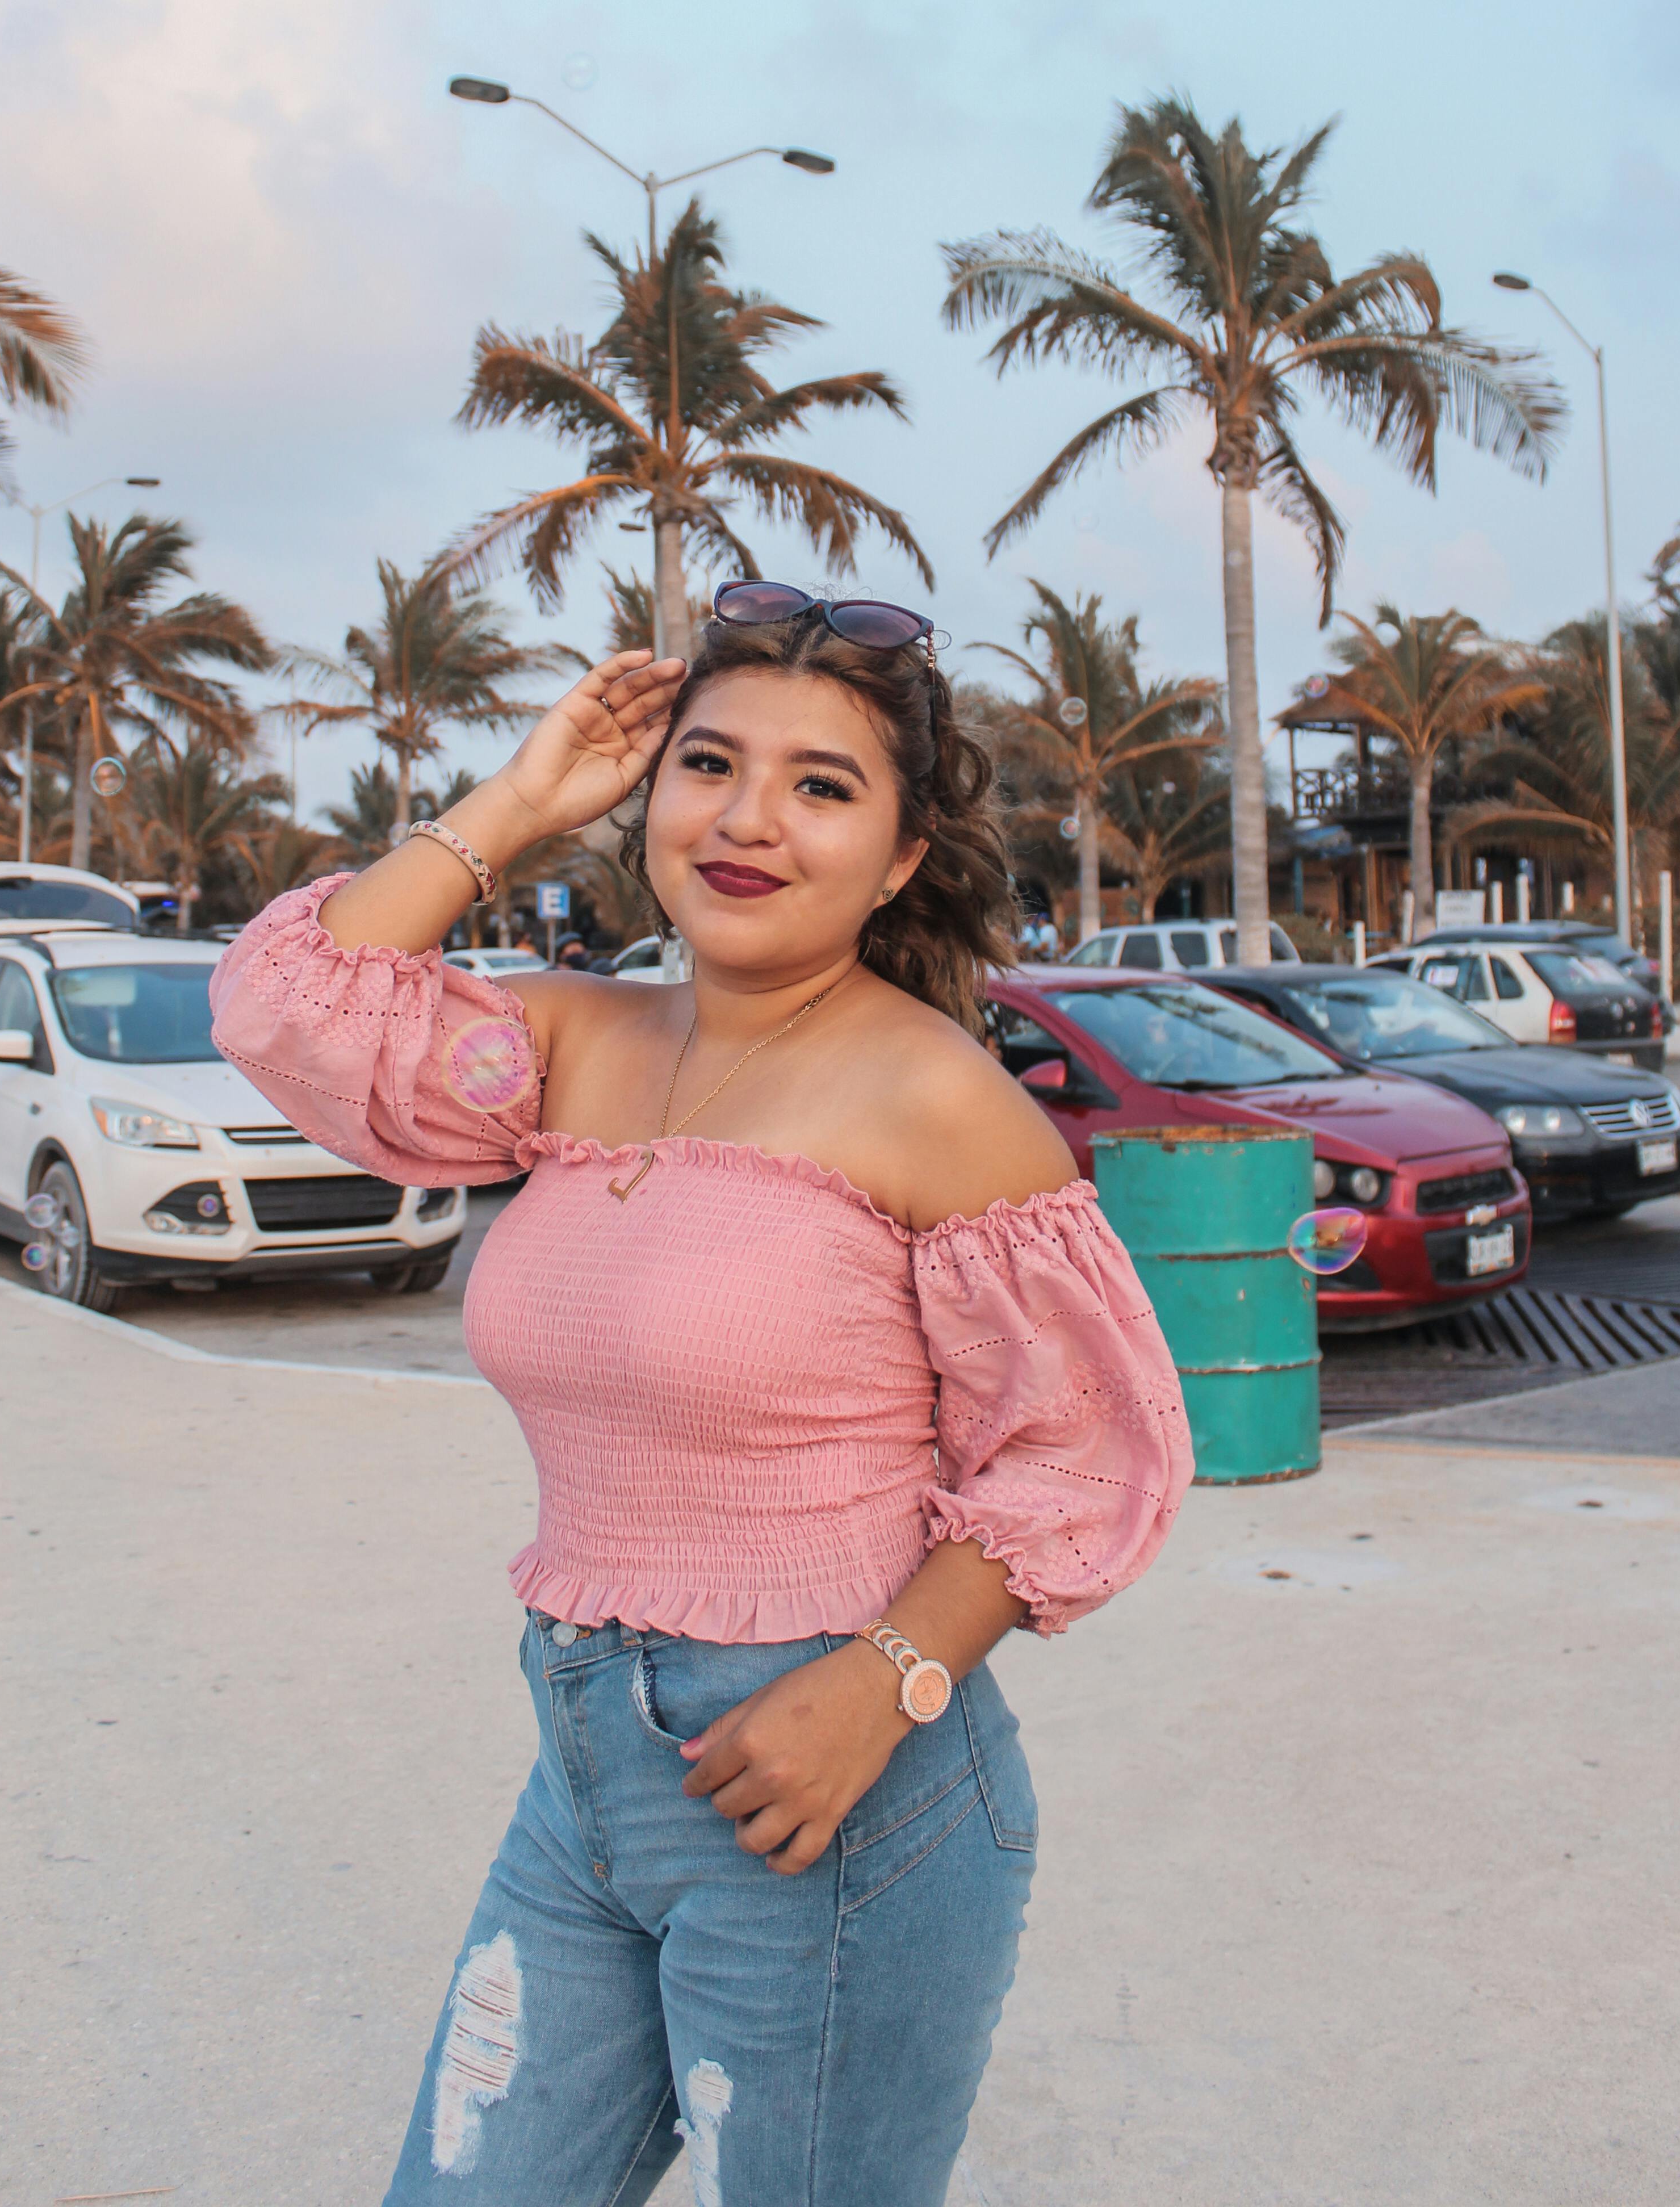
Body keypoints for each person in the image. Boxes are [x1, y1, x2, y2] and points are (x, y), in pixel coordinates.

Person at [211, 583, 1192, 2207]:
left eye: (822, 786)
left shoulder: (934, 1098)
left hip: (830, 1798)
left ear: (898, 859)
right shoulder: (568, 1045)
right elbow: (289, 1006)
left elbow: (1080, 1455)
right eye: (708, 764)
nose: (748, 820)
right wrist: (520, 801)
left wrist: (884, 1682)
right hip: (585, 1772)